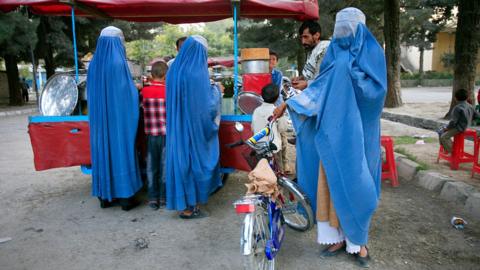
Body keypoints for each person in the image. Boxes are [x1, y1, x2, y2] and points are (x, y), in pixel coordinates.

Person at [274, 7, 386, 268]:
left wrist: (349, 79)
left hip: (359, 137)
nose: (343, 33)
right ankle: (335, 238)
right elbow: (319, 88)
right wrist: (290, 104)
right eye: (340, 28)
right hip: (330, 134)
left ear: (360, 27)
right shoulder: (333, 54)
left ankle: (358, 241)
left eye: (349, 27)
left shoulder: (371, 54)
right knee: (330, 186)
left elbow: (376, 94)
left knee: (360, 185)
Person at [165, 35, 223, 219]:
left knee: (181, 162)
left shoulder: (174, 70)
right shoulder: (197, 73)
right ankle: (191, 208)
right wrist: (217, 91)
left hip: (177, 127)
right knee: (194, 163)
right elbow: (207, 107)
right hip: (192, 129)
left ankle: (183, 204)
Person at [87, 26, 143, 211]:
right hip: (119, 120)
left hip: (101, 121)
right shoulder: (119, 63)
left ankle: (105, 197)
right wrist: (137, 89)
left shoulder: (94, 64)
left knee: (103, 152)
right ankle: (126, 197)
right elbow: (128, 95)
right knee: (122, 151)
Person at [141, 61, 168, 210]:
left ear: (152, 75)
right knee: (165, 166)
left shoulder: (144, 92)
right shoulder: (169, 92)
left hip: (151, 135)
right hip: (165, 135)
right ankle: (164, 197)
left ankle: (152, 199)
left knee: (152, 167)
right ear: (166, 75)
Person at [252, 83, 288, 172]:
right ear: (276, 98)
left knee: (262, 172)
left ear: (262, 95)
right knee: (276, 173)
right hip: (274, 149)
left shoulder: (256, 111)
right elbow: (283, 128)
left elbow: (253, 127)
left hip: (259, 147)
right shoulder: (277, 111)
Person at [291, 20, 330, 91]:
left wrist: (306, 84)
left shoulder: (324, 49)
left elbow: (325, 78)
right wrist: (301, 78)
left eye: (306, 37)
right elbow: (313, 73)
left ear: (317, 35)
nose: (303, 41)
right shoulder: (312, 49)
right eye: (301, 38)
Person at [438, 89, 479, 153]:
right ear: (467, 97)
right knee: (442, 130)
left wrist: (447, 128)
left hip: (459, 128)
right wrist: (470, 120)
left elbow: (453, 122)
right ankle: (446, 148)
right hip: (467, 126)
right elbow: (477, 116)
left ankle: (452, 151)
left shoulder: (457, 108)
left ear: (455, 98)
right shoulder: (471, 106)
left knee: (443, 135)